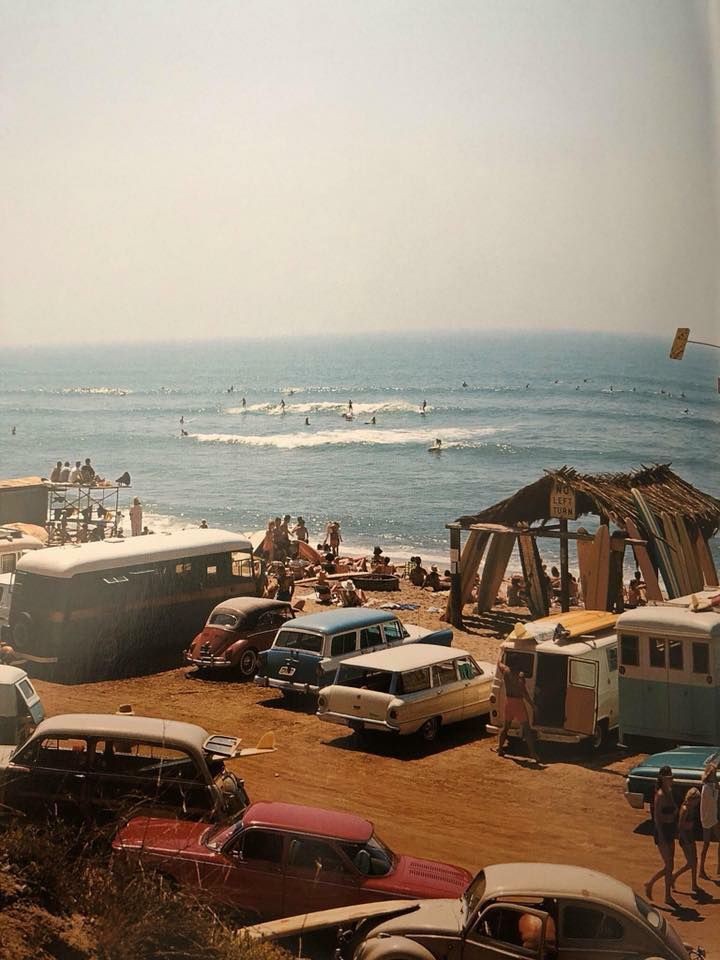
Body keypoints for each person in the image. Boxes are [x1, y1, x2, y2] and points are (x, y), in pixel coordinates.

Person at [496, 656, 541, 764]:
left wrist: (501, 655)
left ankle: (500, 748)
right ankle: (533, 753)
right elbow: (524, 692)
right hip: (517, 703)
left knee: (506, 727)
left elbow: (498, 663)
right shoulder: (520, 676)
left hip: (508, 701)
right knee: (526, 728)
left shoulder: (506, 670)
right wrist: (532, 705)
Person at [646, 766, 678, 905]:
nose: (671, 780)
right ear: (662, 779)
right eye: (668, 778)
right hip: (662, 831)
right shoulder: (659, 795)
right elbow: (657, 819)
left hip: (670, 829)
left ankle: (667, 895)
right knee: (669, 864)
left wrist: (673, 816)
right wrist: (662, 836)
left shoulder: (669, 792)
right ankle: (650, 883)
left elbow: (675, 809)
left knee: (671, 864)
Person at [672, 787, 701, 894]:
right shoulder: (685, 809)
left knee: (695, 860)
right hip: (685, 837)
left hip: (690, 835)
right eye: (696, 800)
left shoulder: (691, 808)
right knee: (690, 863)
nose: (697, 803)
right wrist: (685, 840)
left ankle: (694, 884)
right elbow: (680, 826)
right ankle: (674, 876)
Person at [700, 763, 720, 879]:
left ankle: (718, 868)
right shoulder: (707, 788)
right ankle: (701, 869)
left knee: (707, 844)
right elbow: (711, 801)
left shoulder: (710, 786)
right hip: (708, 818)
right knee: (706, 844)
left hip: (712, 817)